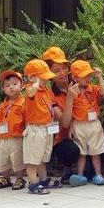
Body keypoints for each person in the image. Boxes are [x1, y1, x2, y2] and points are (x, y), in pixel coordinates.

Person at [22, 59, 63, 194]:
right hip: (36, 129)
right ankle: (33, 183)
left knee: (41, 157)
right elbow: (30, 93)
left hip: (47, 127)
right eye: (42, 77)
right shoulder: (31, 89)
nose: (45, 80)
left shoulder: (45, 91)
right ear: (31, 77)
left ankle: (43, 179)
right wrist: (35, 84)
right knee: (33, 159)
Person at [66, 60, 104, 186]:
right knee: (81, 152)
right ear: (75, 77)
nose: (88, 78)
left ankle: (98, 175)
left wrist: (100, 77)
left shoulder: (93, 88)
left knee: (95, 152)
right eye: (84, 75)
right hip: (79, 125)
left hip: (94, 124)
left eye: (89, 75)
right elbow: (71, 110)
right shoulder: (72, 92)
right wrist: (70, 127)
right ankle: (80, 176)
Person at [42, 46, 81, 186]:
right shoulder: (49, 94)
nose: (62, 73)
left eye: (64, 68)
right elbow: (64, 123)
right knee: (70, 152)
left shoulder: (79, 82)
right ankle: (68, 167)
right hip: (63, 137)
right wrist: (70, 98)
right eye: (56, 70)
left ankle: (86, 168)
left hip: (84, 130)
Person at [0, 70, 27, 190]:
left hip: (17, 137)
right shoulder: (3, 106)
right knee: (3, 159)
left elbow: (27, 120)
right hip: (3, 138)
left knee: (17, 159)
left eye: (14, 84)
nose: (11, 87)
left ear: (22, 85)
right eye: (7, 85)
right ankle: (5, 177)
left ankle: (20, 178)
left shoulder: (24, 103)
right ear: (3, 89)